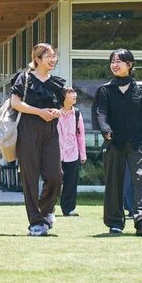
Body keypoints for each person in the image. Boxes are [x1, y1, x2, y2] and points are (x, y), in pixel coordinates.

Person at [93, 48, 142, 236]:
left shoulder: (141, 88)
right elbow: (100, 113)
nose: (115, 64)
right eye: (112, 61)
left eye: (119, 61)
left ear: (130, 65)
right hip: (114, 143)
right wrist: (105, 129)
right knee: (114, 183)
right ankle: (115, 222)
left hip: (139, 142)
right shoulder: (105, 90)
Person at [9, 43, 66, 237]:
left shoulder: (56, 83)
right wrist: (39, 112)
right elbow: (15, 103)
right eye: (48, 56)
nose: (53, 59)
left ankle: (45, 210)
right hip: (28, 129)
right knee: (30, 177)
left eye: (54, 56)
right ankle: (35, 223)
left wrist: (57, 111)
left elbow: (62, 107)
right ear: (37, 59)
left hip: (50, 130)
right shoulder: (24, 78)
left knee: (56, 175)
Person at [56, 88, 87, 217]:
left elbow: (81, 135)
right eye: (70, 94)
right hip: (56, 154)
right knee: (53, 181)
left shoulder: (77, 114)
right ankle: (47, 207)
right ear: (63, 97)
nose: (74, 96)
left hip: (72, 153)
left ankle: (68, 209)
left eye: (74, 94)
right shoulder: (55, 113)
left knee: (71, 183)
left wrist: (83, 154)